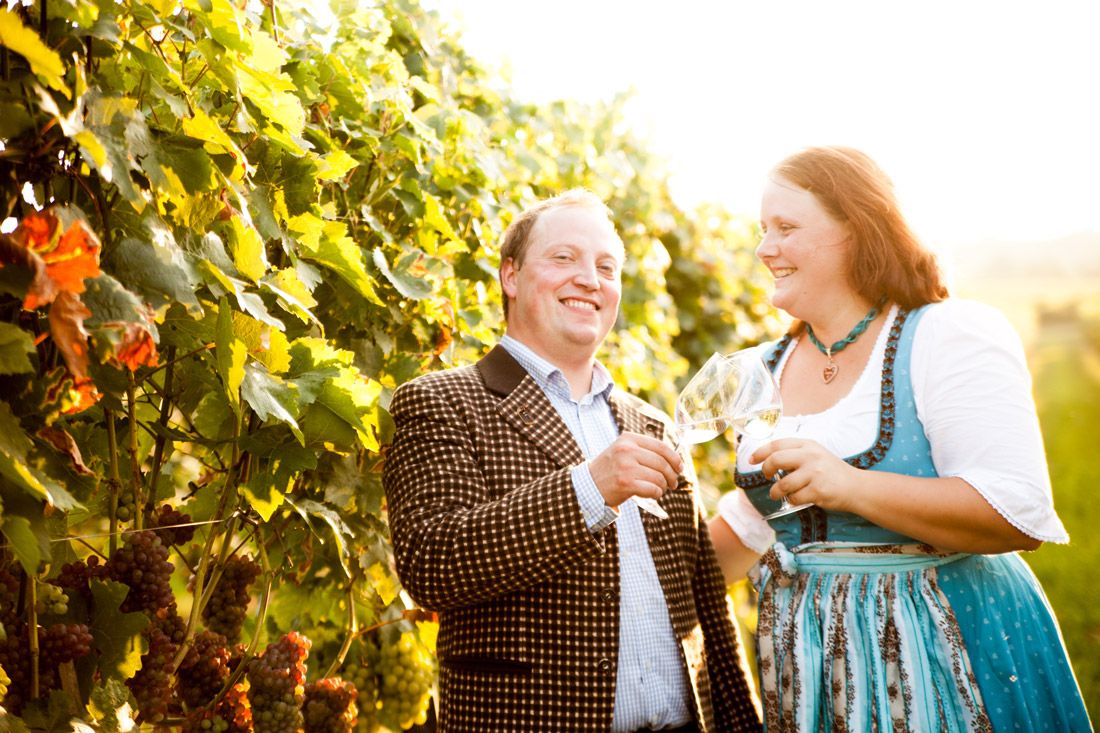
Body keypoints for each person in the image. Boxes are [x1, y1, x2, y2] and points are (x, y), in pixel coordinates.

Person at [708, 146, 1092, 731]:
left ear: (859, 230)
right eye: (763, 230)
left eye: (786, 228)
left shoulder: (946, 335)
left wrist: (851, 486)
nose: (764, 249)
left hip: (946, 649)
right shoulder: (759, 370)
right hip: (810, 669)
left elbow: (1014, 511)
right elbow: (752, 524)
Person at [384, 189, 763, 732]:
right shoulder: (442, 401)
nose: (590, 279)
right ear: (510, 276)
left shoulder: (652, 424)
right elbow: (433, 565)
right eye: (564, 258)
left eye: (606, 267)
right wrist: (590, 487)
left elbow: (705, 599)